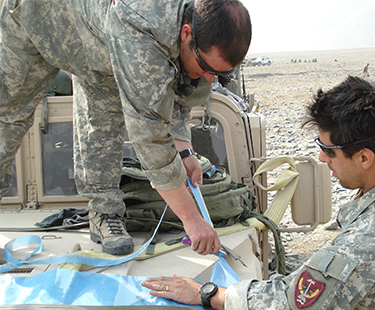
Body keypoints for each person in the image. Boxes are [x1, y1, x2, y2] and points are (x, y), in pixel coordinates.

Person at [141, 76, 375, 309]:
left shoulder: (366, 246)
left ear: (365, 158)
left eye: (327, 149)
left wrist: (208, 294)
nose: (321, 158)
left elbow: (289, 301)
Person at [0, 0, 251, 255]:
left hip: (98, 42)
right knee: (5, 119)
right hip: (37, 18)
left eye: (218, 74)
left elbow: (178, 84)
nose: (210, 78)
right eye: (207, 68)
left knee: (102, 125)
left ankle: (104, 212)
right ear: (186, 32)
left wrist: (184, 151)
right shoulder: (140, 24)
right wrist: (192, 219)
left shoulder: (198, 22)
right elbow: (149, 133)